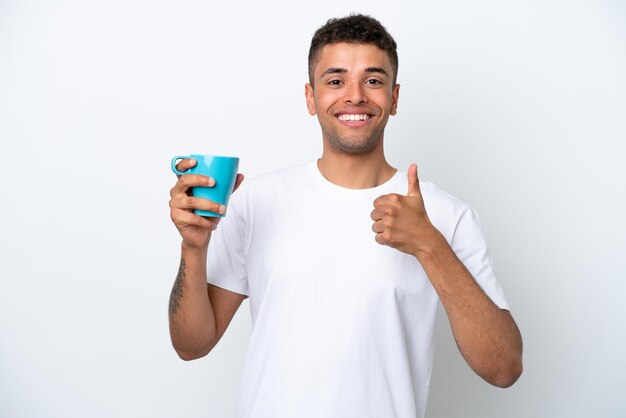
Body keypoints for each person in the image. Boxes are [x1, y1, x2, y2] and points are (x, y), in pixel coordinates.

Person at [168, 14, 523, 418]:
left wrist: (429, 245)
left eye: (373, 80)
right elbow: (191, 345)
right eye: (335, 80)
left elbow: (503, 367)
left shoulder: (445, 216)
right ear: (310, 96)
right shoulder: (256, 201)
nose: (354, 95)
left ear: (394, 97)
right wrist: (193, 248)